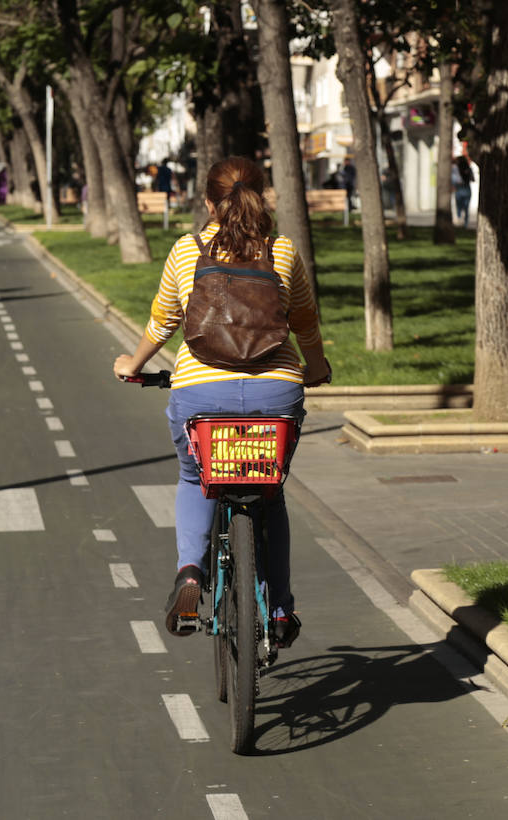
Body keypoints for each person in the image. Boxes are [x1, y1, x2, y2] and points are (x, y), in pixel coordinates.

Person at [112, 156, 331, 648]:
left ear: (208, 202)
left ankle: (190, 573)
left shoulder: (187, 250)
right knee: (269, 492)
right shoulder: (283, 252)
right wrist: (314, 368)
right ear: (263, 196)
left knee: (195, 477)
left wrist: (133, 362)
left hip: (201, 393)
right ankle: (278, 610)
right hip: (276, 391)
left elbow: (163, 320)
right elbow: (305, 321)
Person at [451, 149, 473, 227]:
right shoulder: (467, 168)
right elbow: (472, 179)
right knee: (465, 208)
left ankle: (461, 222)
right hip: (465, 188)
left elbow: (454, 180)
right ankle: (464, 223)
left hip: (461, 189)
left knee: (459, 207)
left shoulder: (455, 169)